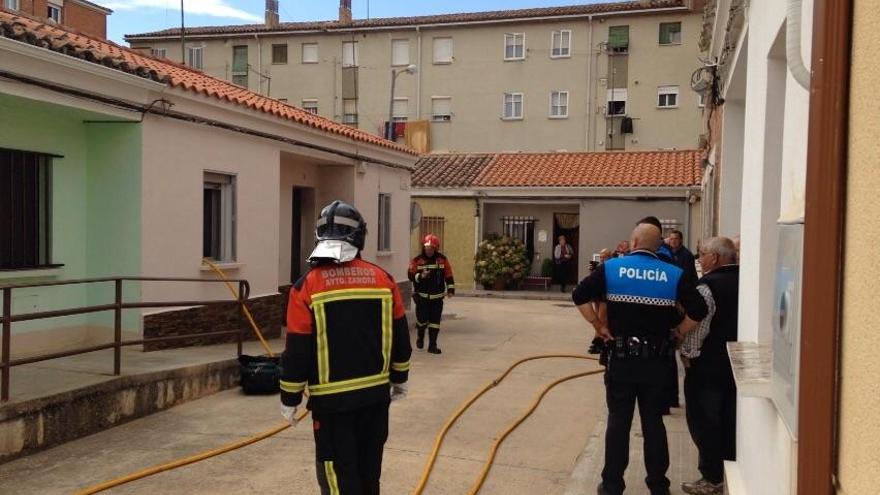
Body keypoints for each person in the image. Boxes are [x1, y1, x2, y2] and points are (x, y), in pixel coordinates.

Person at [280, 200, 412, 495]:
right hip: (376, 399)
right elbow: (401, 339)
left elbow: (297, 349)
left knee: (339, 477)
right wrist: (400, 379)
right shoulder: (384, 279)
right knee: (369, 474)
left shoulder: (306, 286)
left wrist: (290, 398)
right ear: (360, 236)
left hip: (332, 405)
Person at [573, 224, 708, 495]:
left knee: (618, 421)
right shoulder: (674, 273)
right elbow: (699, 309)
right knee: (653, 423)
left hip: (621, 360)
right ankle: (658, 485)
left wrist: (598, 326)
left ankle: (612, 485)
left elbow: (579, 295)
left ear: (634, 241)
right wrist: (678, 331)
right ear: (659, 245)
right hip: (657, 363)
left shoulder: (612, 269)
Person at [679, 237, 739, 495]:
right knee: (728, 419)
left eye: (701, 254)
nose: (699, 260)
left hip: (707, 367)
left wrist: (686, 352)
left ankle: (711, 477)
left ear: (714, 258)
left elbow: (699, 326)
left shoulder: (707, 287)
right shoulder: (744, 280)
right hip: (734, 365)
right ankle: (727, 471)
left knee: (705, 422)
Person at [408, 234, 455, 354]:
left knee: (435, 322)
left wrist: (450, 290)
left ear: (436, 248)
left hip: (437, 299)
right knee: (422, 320)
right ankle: (420, 335)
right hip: (422, 298)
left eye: (431, 248)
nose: (429, 251)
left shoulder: (442, 260)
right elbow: (410, 275)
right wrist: (420, 276)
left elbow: (448, 275)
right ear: (423, 248)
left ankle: (432, 346)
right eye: (427, 248)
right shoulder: (417, 260)